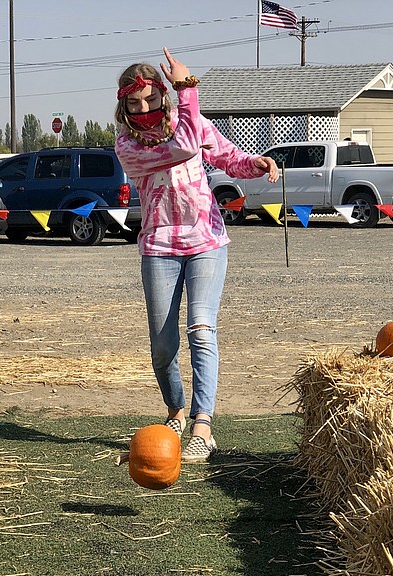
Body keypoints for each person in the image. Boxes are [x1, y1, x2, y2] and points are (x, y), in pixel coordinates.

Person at [114, 48, 278, 463]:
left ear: (163, 97)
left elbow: (224, 155)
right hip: (159, 246)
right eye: (134, 103)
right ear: (123, 106)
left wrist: (255, 163)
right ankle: (176, 411)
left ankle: (203, 426)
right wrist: (187, 87)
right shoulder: (127, 144)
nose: (144, 108)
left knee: (201, 330)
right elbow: (185, 147)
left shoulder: (191, 120)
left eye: (151, 99)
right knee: (162, 345)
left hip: (206, 240)